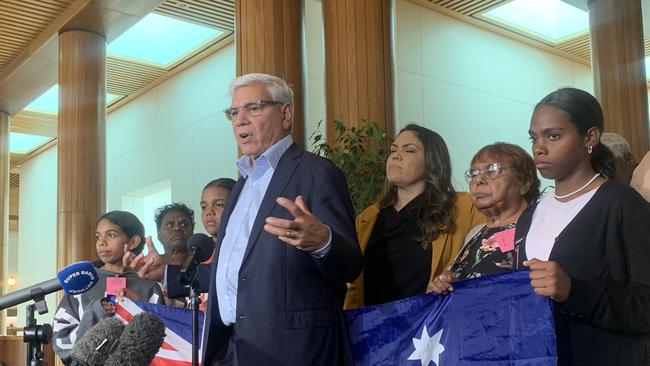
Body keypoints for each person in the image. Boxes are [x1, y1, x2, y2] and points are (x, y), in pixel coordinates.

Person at [126, 73, 362, 366]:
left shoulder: (317, 174)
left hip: (292, 351)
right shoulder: (240, 186)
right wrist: (166, 272)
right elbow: (238, 275)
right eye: (234, 112)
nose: (240, 120)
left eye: (253, 108)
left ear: (285, 114)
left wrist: (323, 241)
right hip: (230, 349)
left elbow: (351, 264)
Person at [520, 87, 650, 365]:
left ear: (589, 137)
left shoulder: (622, 204)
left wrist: (575, 292)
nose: (538, 147)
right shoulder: (531, 215)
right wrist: (453, 291)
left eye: (553, 135)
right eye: (534, 137)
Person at [344, 124, 484, 308]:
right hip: (374, 330)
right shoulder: (368, 218)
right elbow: (355, 287)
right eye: (393, 150)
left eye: (409, 150)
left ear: (432, 162)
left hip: (428, 328)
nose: (396, 155)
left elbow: (495, 238)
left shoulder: (462, 207)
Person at [53, 211, 164, 364]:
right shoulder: (82, 282)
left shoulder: (149, 286)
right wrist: (93, 314)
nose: (101, 242)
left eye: (111, 235)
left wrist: (138, 307)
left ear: (133, 242)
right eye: (98, 237)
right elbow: (61, 338)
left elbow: (164, 337)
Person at [428, 143, 540, 293]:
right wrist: (442, 285)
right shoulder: (475, 232)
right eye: (474, 174)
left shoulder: (539, 226)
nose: (478, 180)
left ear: (524, 183)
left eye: (492, 170)